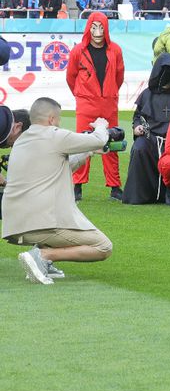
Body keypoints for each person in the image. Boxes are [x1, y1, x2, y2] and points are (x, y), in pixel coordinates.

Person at [4, 98, 113, 285]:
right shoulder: (55, 135)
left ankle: (44, 259)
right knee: (103, 246)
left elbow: (58, 168)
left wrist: (87, 153)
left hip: (15, 224)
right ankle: (45, 255)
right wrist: (102, 126)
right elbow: (99, 139)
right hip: (40, 224)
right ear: (52, 119)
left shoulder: (21, 142)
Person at [66, 11, 124, 201]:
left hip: (108, 103)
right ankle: (77, 186)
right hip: (86, 104)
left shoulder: (115, 50)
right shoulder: (78, 51)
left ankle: (115, 187)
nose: (98, 31)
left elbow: (119, 76)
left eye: (101, 27)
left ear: (106, 28)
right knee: (82, 143)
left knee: (112, 143)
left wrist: (110, 92)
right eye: (94, 27)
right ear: (88, 28)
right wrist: (82, 95)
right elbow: (71, 77)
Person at [123, 54, 170, 205]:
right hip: (151, 138)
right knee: (139, 148)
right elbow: (138, 116)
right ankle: (140, 195)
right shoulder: (148, 93)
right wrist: (137, 127)